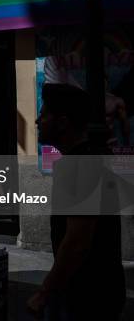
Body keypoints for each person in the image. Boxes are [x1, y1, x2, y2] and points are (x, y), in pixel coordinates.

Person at [27, 83, 125, 320]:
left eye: (44, 115)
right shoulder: (91, 157)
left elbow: (77, 241)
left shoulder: (79, 166)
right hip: (99, 289)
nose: (38, 122)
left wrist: (44, 292)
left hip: (87, 295)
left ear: (62, 123)